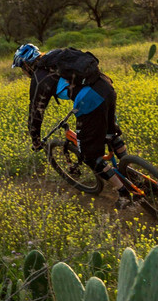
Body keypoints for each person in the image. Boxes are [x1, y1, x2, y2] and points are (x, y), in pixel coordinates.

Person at [12, 43, 129, 206]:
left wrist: (35, 139)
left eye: (21, 69)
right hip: (106, 87)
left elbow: (36, 112)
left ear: (26, 65)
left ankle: (124, 194)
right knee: (111, 134)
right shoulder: (57, 55)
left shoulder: (40, 76)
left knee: (90, 156)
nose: (23, 73)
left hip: (91, 100)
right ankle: (131, 170)